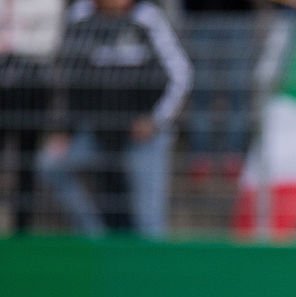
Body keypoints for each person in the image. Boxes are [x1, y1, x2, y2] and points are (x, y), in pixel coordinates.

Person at [36, 0, 192, 239]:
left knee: (148, 221)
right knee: (50, 164)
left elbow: (181, 74)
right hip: (94, 131)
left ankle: (150, 267)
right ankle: (95, 237)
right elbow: (66, 78)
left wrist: (156, 120)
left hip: (143, 136)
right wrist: (64, 129)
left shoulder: (149, 18)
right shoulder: (79, 17)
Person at [0, 0, 63, 235]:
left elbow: (48, 42)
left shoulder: (48, 3)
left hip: (32, 86)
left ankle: (21, 229)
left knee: (26, 161)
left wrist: (12, 41)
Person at [182, 0, 256, 183]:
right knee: (201, 94)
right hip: (200, 17)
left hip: (239, 18)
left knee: (238, 93)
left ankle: (233, 156)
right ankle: (200, 158)